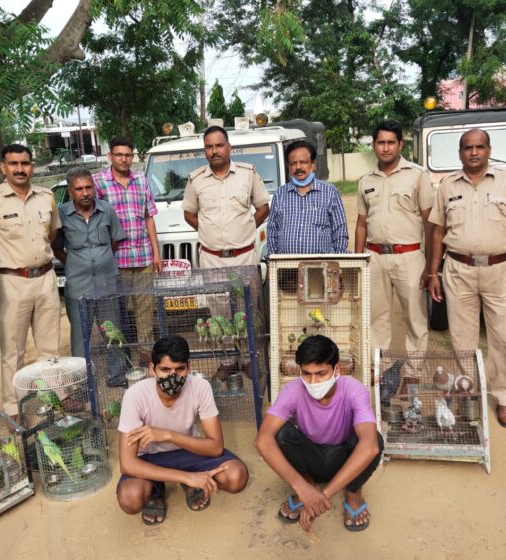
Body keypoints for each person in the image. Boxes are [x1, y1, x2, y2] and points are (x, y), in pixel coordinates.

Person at [426, 128, 506, 429]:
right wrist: (433, 271)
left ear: (489, 149)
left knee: (503, 337)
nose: (474, 153)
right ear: (460, 152)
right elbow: (437, 231)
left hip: (500, 270)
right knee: (462, 339)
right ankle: (466, 393)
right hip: (458, 270)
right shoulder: (447, 185)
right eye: (467, 148)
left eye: (479, 147)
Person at [254, 335, 383, 533]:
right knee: (279, 433)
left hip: (344, 457)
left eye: (321, 373)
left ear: (336, 370)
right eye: (306, 374)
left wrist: (324, 495)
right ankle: (307, 483)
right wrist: (302, 489)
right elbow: (262, 440)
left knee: (373, 438)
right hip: (310, 458)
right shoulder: (292, 390)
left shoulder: (355, 391)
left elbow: (370, 446)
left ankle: (353, 491)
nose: (313, 382)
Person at [116, 335, 249, 525]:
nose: (173, 376)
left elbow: (216, 447)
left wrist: (168, 435)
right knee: (130, 498)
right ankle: (156, 491)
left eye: (180, 369)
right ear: (152, 369)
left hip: (189, 451)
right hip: (150, 458)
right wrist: (188, 477)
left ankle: (184, 483)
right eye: (165, 369)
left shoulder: (200, 387)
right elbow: (127, 464)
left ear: (189, 367)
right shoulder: (135, 395)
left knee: (237, 476)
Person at [0, 144, 61, 417]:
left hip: (46, 278)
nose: (20, 169)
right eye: (13, 164)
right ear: (3, 167)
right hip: (12, 282)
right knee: (13, 349)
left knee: (50, 346)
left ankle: (55, 396)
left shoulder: (46, 196)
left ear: (32, 166)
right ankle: (14, 405)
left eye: (25, 163)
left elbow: (52, 233)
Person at [355, 120, 433, 353]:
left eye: (391, 143)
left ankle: (413, 375)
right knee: (375, 318)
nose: (385, 148)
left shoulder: (418, 175)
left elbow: (430, 223)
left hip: (409, 257)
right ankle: (379, 372)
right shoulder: (365, 180)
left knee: (415, 319)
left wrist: (431, 264)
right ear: (374, 145)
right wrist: (359, 261)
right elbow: (361, 225)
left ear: (400, 145)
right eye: (381, 143)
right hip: (374, 258)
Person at [52, 168, 125, 375]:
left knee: (112, 331)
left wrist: (101, 261)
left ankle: (117, 373)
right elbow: (56, 248)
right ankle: (81, 378)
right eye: (79, 189)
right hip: (78, 287)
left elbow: (115, 241)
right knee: (80, 335)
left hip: (107, 283)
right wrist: (77, 263)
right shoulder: (62, 215)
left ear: (94, 187)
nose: (85, 193)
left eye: (88, 187)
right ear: (70, 191)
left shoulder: (106, 210)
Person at [93, 137, 162, 346]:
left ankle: (145, 354)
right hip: (115, 260)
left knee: (145, 308)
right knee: (116, 310)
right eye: (119, 155)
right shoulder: (98, 182)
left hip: (143, 257)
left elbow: (149, 217)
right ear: (110, 156)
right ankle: (120, 358)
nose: (124, 159)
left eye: (128, 155)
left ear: (133, 157)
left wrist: (156, 254)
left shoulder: (141, 180)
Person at [183, 126, 270, 268]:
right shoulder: (196, 180)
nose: (214, 151)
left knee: (247, 291)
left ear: (229, 148)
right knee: (214, 292)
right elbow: (189, 215)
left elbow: (263, 209)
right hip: (211, 260)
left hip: (245, 258)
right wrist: (208, 229)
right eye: (209, 147)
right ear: (204, 150)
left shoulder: (248, 174)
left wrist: (245, 228)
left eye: (219, 145)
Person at [266, 140, 348, 255]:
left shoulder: (330, 191)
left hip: (321, 267)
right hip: (286, 267)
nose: (298, 167)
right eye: (293, 163)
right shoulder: (280, 194)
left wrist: (339, 260)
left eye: (303, 162)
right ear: (288, 167)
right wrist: (273, 260)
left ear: (313, 164)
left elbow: (340, 230)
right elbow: (272, 230)